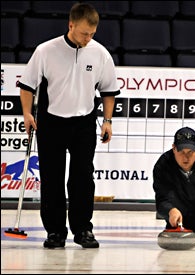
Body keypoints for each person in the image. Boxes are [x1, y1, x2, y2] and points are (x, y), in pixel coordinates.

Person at [18, 2, 120, 249]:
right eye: (84, 33)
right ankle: (55, 232)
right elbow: (27, 85)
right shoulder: (46, 50)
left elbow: (108, 91)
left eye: (92, 34)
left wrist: (107, 121)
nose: (88, 39)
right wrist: (27, 115)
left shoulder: (100, 53)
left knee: (82, 178)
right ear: (71, 24)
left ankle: (83, 229)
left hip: (84, 122)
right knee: (52, 179)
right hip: (51, 121)